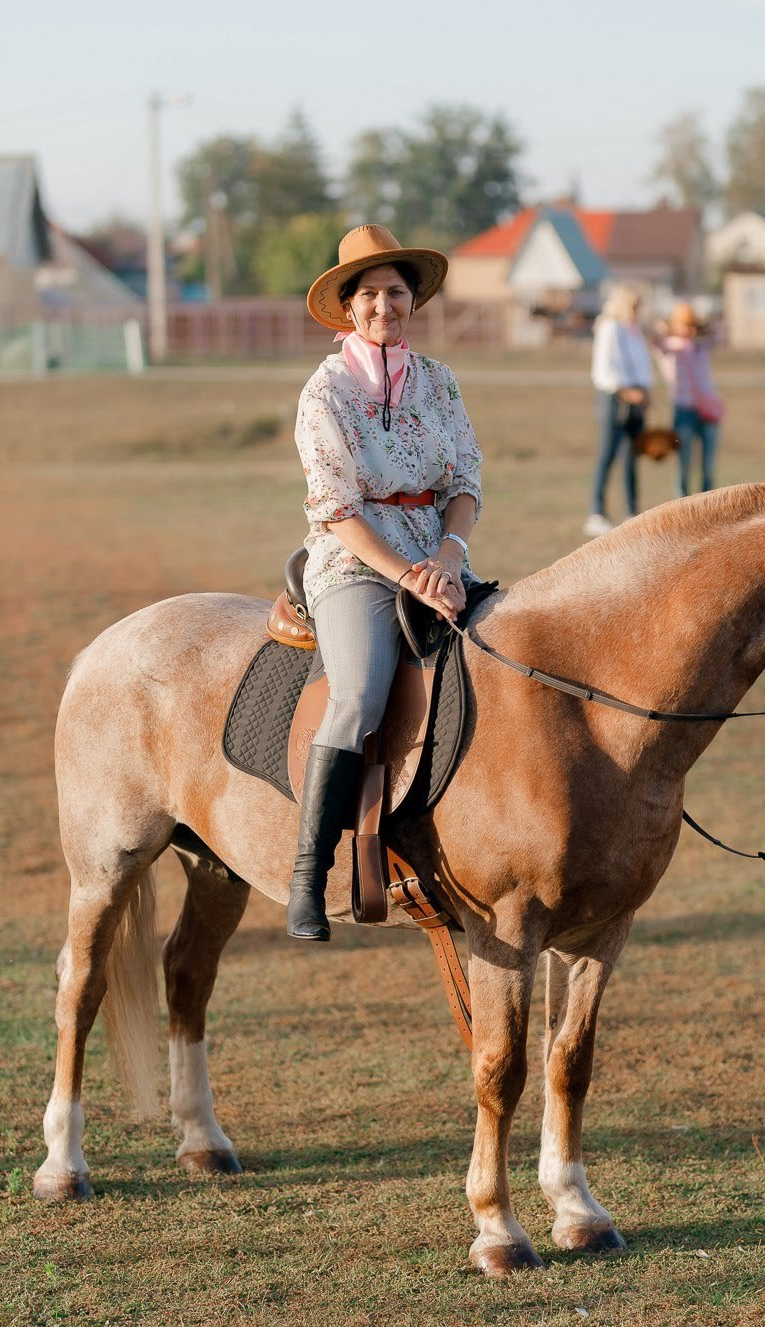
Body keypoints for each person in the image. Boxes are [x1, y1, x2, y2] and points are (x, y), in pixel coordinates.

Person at [288, 224, 482, 941]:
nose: (382, 305)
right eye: (366, 293)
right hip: (355, 563)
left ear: (412, 300)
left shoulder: (438, 379)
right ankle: (309, 876)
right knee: (360, 694)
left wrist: (451, 558)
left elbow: (464, 478)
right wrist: (410, 575)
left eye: (394, 291)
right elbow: (336, 509)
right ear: (346, 308)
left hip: (439, 555)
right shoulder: (324, 394)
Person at [585, 285, 654, 537]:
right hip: (615, 397)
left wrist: (646, 390)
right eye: (634, 305)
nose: (638, 310)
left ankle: (632, 512)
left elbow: (640, 363)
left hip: (637, 397)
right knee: (607, 454)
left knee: (631, 456)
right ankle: (596, 512)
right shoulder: (610, 327)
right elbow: (606, 368)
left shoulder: (633, 329)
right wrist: (628, 392)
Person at [653, 301, 724, 497]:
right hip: (684, 409)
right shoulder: (671, 348)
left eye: (692, 325)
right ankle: (681, 501)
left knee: (708, 464)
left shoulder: (700, 348)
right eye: (685, 324)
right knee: (684, 464)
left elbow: (719, 335)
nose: (690, 329)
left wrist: (706, 324)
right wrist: (665, 329)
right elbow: (656, 343)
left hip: (707, 409)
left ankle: (708, 503)